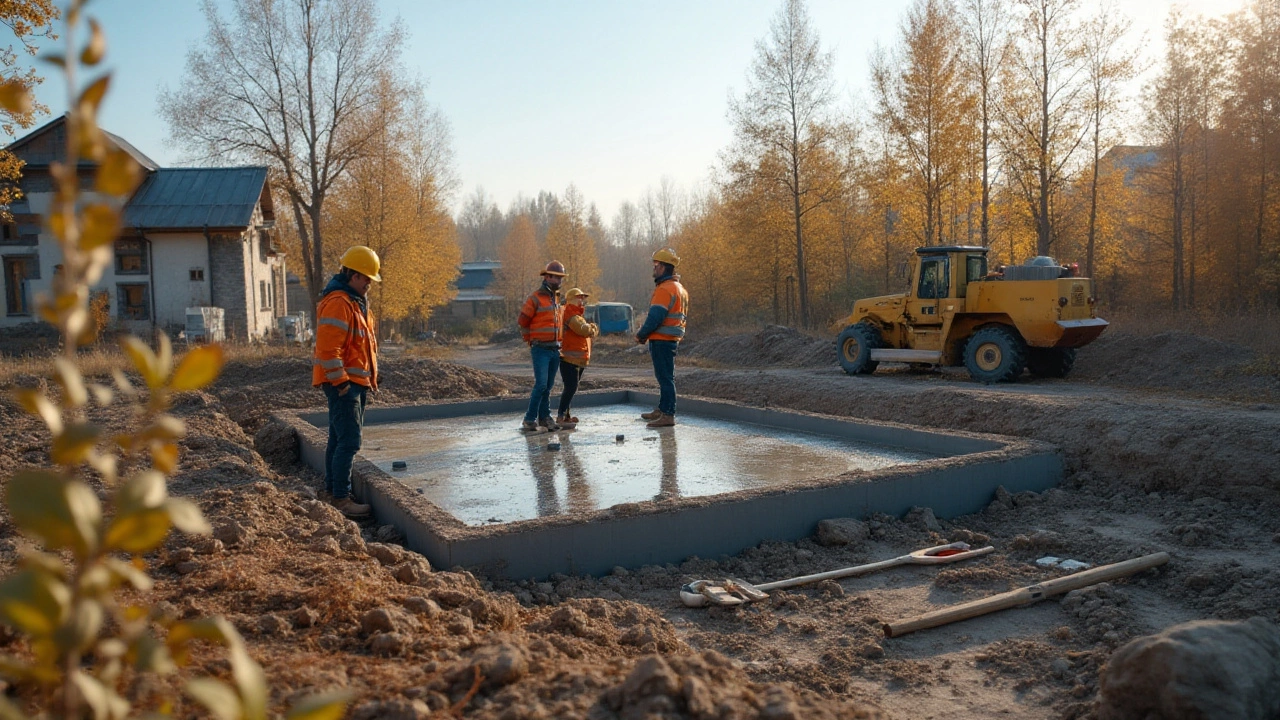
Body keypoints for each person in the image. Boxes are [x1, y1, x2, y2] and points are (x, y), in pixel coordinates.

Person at [313, 245, 381, 518]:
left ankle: (332, 492)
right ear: (353, 275)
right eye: (366, 279)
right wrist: (342, 384)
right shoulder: (340, 303)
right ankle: (341, 498)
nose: (368, 284)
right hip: (344, 384)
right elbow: (329, 350)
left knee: (337, 438)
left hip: (352, 382)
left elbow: (362, 347)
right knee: (350, 441)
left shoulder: (355, 303)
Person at [635, 247, 688, 428]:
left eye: (656, 265)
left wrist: (642, 335)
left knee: (665, 378)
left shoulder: (665, 289)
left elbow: (655, 317)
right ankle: (663, 409)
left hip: (662, 339)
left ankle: (668, 414)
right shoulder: (680, 288)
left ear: (665, 267)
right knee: (665, 376)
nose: (654, 268)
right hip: (671, 339)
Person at [517, 261, 567, 432]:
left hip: (554, 349)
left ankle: (544, 418)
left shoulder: (557, 299)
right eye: (556, 277)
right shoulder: (535, 298)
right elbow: (523, 321)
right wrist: (528, 339)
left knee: (548, 386)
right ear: (546, 277)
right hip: (540, 349)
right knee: (541, 385)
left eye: (560, 278)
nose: (559, 281)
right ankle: (529, 419)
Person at [557, 287, 599, 429]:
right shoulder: (571, 314)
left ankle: (566, 416)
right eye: (579, 297)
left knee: (571, 388)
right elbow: (583, 330)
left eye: (583, 298)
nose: (582, 300)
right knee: (571, 387)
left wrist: (590, 328)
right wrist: (593, 328)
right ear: (571, 299)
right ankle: (561, 416)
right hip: (569, 359)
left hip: (577, 359)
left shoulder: (577, 315)